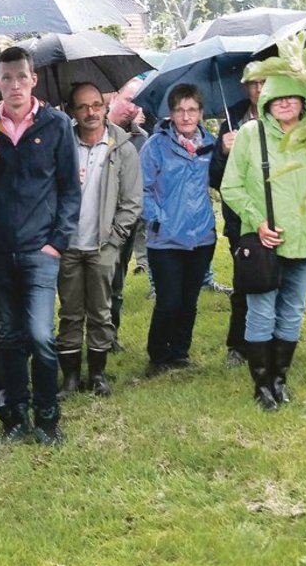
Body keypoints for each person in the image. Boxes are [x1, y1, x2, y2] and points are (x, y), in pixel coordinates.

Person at [0, 44, 80, 445]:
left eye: (21, 76)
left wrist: (57, 242)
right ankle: (15, 419)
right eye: (6, 78)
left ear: (33, 79)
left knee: (40, 335)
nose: (14, 85)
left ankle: (48, 417)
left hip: (40, 250)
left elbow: (70, 189)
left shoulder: (56, 125)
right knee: (10, 337)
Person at [223, 76, 306, 410]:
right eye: (276, 98)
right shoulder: (252, 135)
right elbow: (231, 187)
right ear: (265, 101)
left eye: (292, 97)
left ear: (304, 100)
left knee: (293, 310)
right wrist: (258, 222)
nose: (284, 103)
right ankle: (261, 385)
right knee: (261, 310)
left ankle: (280, 380)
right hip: (266, 241)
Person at [56, 83, 142, 398]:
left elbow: (132, 201)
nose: (90, 112)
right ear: (72, 112)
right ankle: (69, 379)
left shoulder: (123, 147)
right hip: (68, 245)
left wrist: (116, 239)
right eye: (82, 107)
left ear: (105, 108)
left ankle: (98, 375)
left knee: (101, 311)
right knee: (70, 311)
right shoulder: (62, 147)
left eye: (96, 105)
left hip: (103, 245)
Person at [140, 84, 217, 375]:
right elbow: (142, 189)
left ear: (200, 112)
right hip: (166, 238)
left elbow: (223, 177)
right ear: (171, 113)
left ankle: (180, 352)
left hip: (202, 235)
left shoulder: (210, 143)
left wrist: (226, 150)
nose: (186, 116)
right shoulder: (156, 146)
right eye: (180, 110)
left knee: (189, 301)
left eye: (192, 110)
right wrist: (158, 219)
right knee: (169, 301)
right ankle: (158, 355)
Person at [210, 72, 265, 368]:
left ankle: (273, 340)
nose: (258, 89)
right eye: (253, 83)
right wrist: (222, 151)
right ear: (244, 87)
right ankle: (238, 344)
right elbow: (216, 178)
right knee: (244, 281)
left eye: (264, 82)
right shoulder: (231, 122)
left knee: (277, 279)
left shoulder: (281, 118)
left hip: (275, 214)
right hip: (241, 219)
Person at [106, 77, 150, 349]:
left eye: (138, 104)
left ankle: (111, 336)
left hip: (125, 221)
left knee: (117, 282)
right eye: (129, 100)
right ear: (113, 97)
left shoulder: (140, 140)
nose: (133, 109)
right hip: (94, 221)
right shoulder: (92, 132)